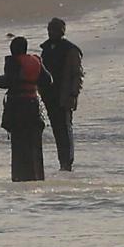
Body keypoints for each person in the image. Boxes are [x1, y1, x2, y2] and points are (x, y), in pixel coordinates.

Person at [0, 36, 53, 182]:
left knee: (19, 147)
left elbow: (9, 81)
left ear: (13, 49)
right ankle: (37, 177)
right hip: (35, 107)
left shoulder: (12, 62)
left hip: (18, 108)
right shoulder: (36, 61)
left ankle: (20, 178)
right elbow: (48, 80)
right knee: (35, 146)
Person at [40, 17, 84, 171]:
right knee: (57, 130)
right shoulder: (46, 49)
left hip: (64, 96)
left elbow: (77, 75)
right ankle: (62, 162)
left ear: (61, 31)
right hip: (50, 96)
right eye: (49, 30)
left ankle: (67, 163)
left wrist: (73, 95)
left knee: (65, 130)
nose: (51, 32)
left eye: (54, 30)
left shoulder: (71, 50)